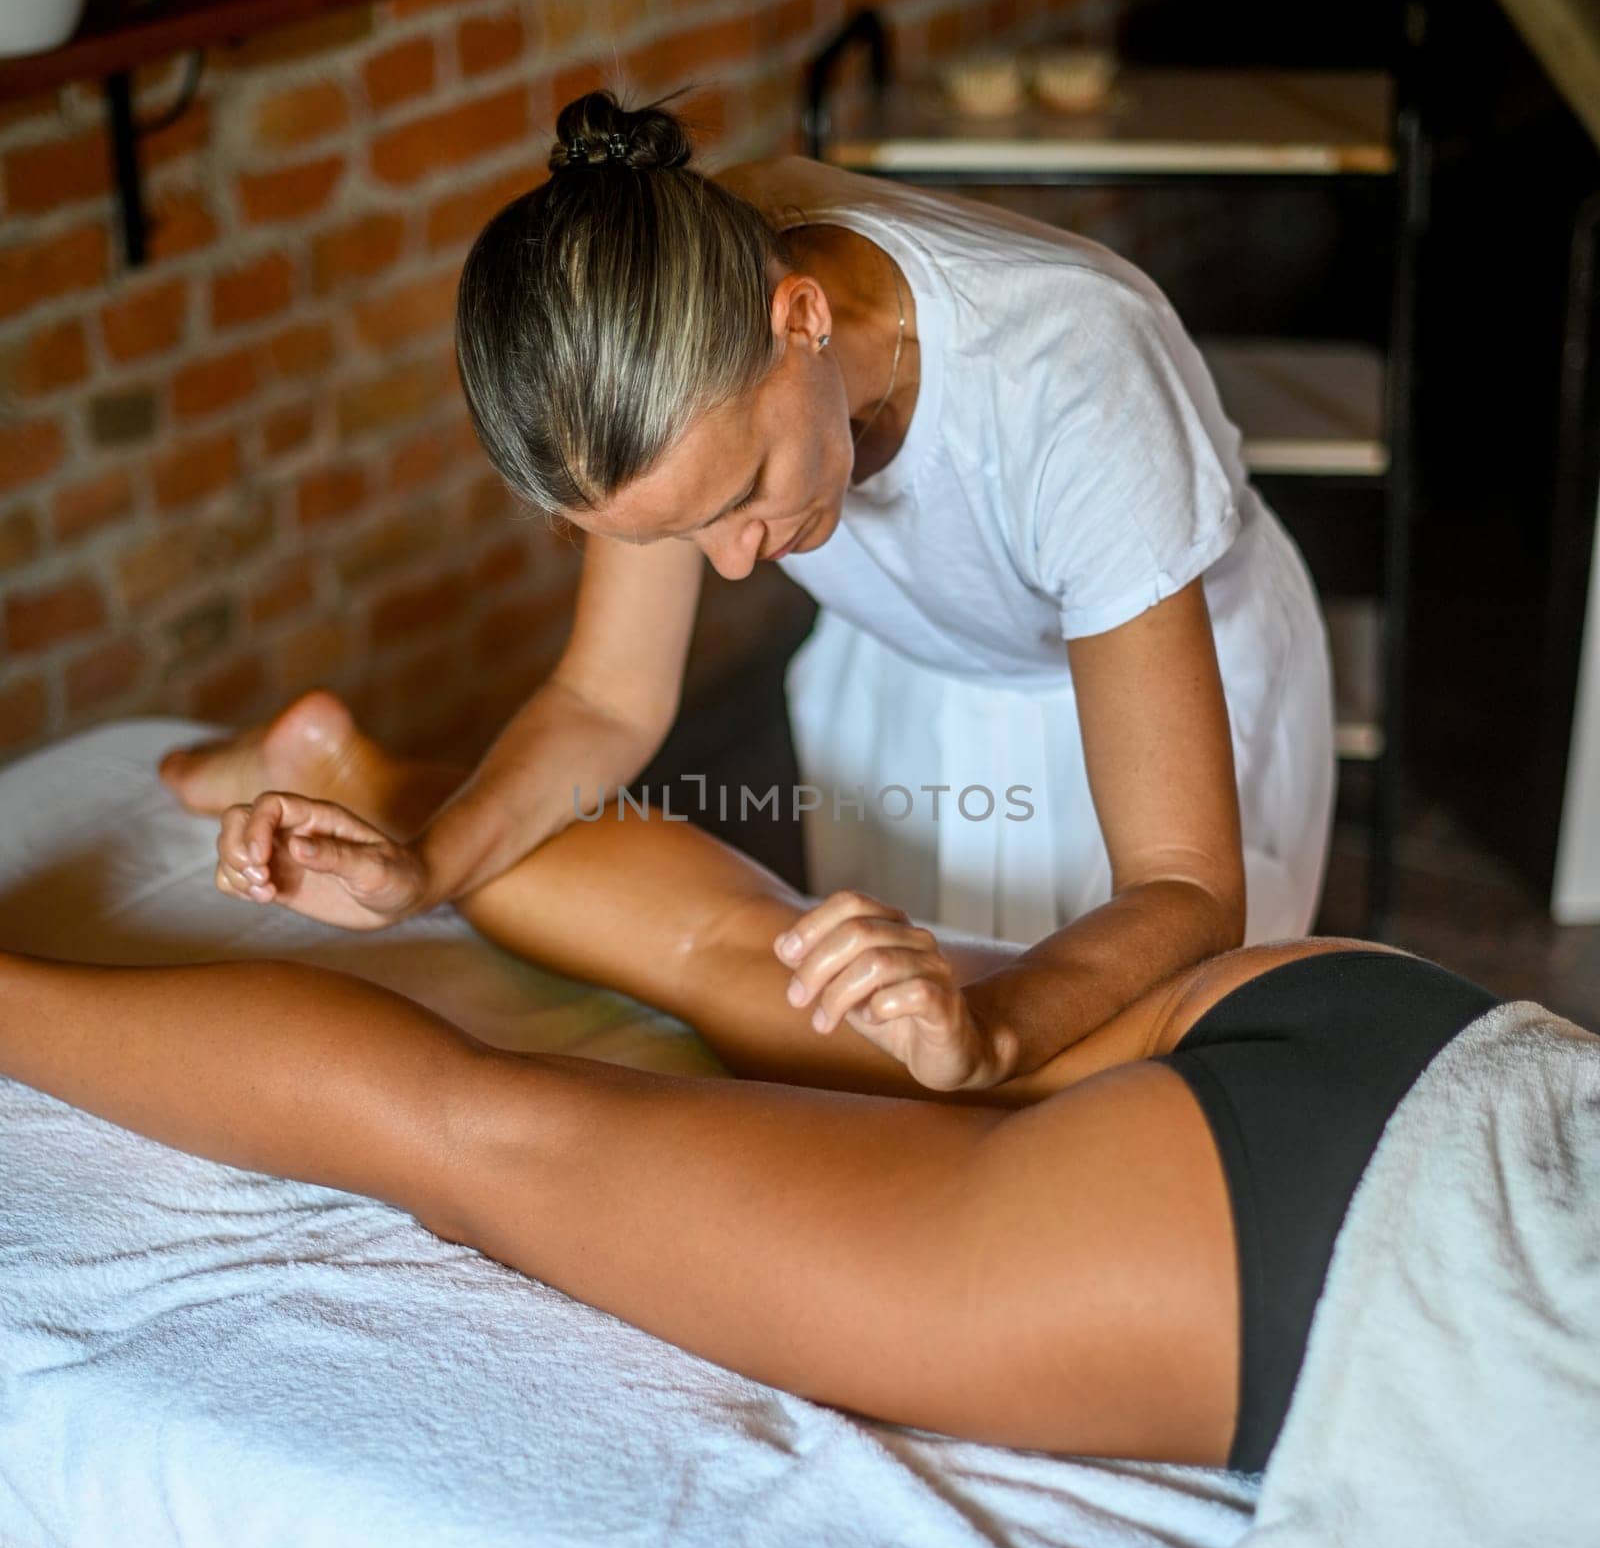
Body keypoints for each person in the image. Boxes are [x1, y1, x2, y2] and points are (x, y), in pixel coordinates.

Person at [2, 705, 1505, 1476]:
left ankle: (357, 765)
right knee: (478, 1130)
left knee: (748, 950)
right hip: (1333, 1257)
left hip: (1428, 1045)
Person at [159, 87, 1335, 1061]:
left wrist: (994, 1031)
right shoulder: (676, 326)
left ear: (804, 316)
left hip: (1170, 689)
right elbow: (606, 701)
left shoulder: (1077, 379)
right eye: (680, 532)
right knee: (884, 1053)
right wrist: (420, 871)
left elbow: (1182, 884)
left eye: (739, 499)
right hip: (917, 673)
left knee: (1135, 1077)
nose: (729, 565)